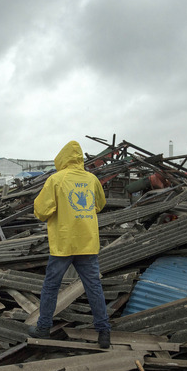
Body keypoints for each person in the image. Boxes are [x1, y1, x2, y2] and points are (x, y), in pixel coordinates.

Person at [28, 140, 112, 348]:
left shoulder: (56, 180)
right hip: (87, 242)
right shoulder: (92, 179)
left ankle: (43, 328)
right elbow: (99, 205)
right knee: (93, 287)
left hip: (63, 244)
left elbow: (41, 211)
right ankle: (104, 334)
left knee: (51, 286)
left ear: (63, 157)